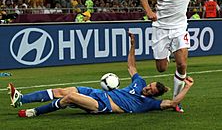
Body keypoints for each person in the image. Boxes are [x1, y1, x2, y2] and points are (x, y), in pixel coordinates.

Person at [8, 32, 194, 118]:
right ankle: (21, 99)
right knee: (62, 91)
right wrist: (132, 45)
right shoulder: (139, 83)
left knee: (70, 97)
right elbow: (131, 66)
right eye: (149, 85)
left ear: (153, 94)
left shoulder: (149, 104)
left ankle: (34, 112)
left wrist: (187, 86)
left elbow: (173, 103)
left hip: (104, 105)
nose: (147, 87)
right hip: (99, 94)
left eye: (150, 89)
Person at [138, 0, 197, 112]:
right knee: (161, 68)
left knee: (182, 64)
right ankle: (168, 54)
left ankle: (176, 101)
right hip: (161, 29)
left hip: (179, 28)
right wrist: (149, 12)